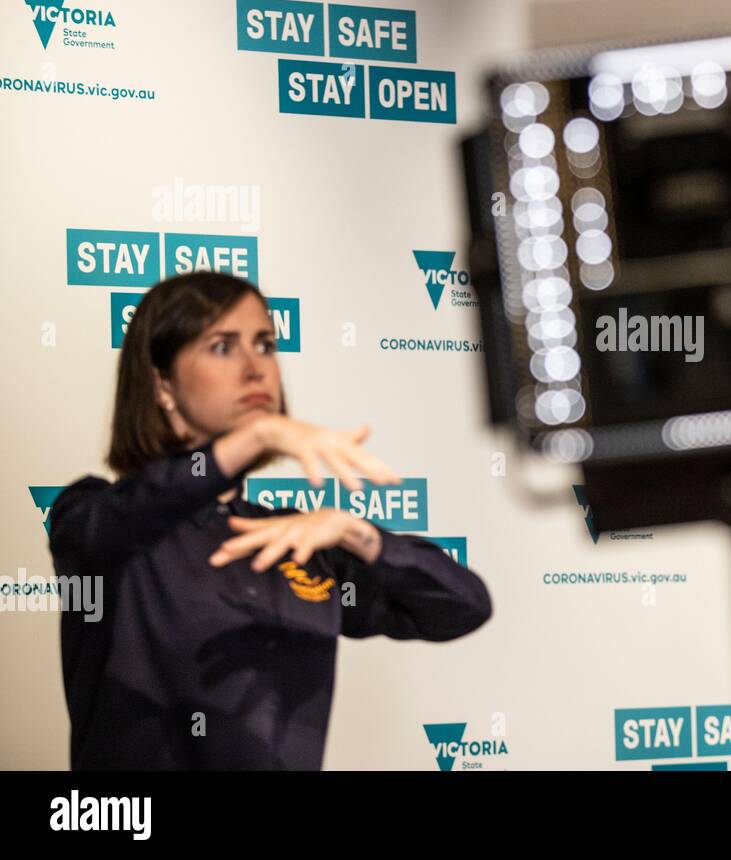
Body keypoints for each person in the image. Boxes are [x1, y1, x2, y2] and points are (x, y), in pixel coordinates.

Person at [49, 271, 492, 769]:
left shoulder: (296, 538)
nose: (255, 367)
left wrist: (357, 534)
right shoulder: (96, 518)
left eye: (264, 344)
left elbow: (464, 605)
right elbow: (127, 514)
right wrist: (254, 438)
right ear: (162, 385)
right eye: (222, 347)